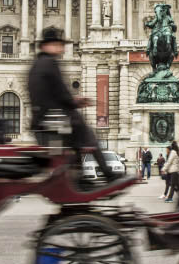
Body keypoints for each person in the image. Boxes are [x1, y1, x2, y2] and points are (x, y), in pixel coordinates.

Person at [28, 28, 117, 182]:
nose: (61, 49)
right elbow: (63, 94)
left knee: (72, 144)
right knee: (88, 135)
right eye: (58, 45)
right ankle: (107, 174)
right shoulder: (50, 63)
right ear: (48, 46)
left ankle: (78, 178)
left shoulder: (36, 65)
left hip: (42, 123)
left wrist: (72, 100)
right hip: (55, 121)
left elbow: (51, 94)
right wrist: (76, 101)